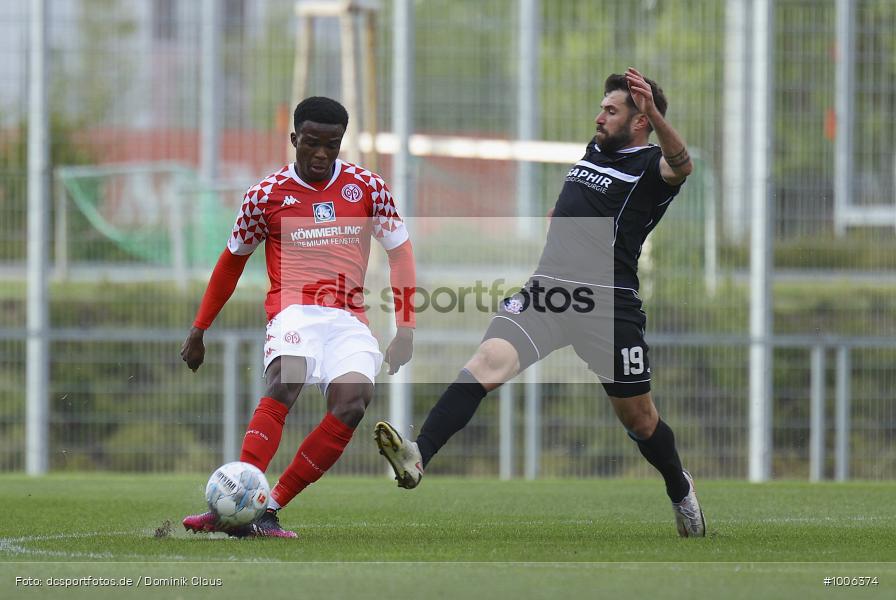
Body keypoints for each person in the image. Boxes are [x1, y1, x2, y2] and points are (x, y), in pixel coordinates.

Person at [374, 68, 705, 537]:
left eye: (611, 111)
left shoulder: (653, 166)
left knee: (641, 420)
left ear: (639, 121)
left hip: (608, 307)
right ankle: (418, 454)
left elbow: (683, 165)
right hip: (547, 292)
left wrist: (654, 110)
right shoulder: (596, 150)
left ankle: (678, 486)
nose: (599, 116)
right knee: (487, 362)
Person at [182, 96, 416, 538]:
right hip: (294, 312)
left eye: (332, 144)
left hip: (349, 318)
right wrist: (199, 329)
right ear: (294, 139)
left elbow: (400, 252)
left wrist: (406, 326)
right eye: (312, 143)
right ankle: (233, 500)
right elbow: (231, 262)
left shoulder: (367, 187)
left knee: (353, 403)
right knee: (286, 380)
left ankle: (265, 509)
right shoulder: (264, 196)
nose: (322, 154)